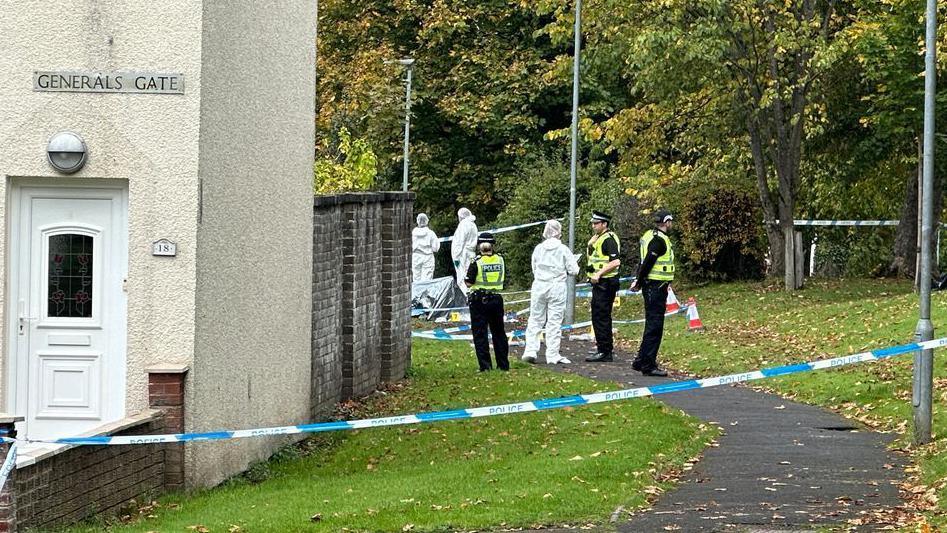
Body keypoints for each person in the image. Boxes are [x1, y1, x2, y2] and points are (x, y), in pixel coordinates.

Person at [522, 220, 580, 365]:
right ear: (559, 232)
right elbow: (574, 270)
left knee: (535, 319)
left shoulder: (538, 249)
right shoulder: (563, 249)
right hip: (557, 287)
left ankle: (530, 351)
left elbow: (534, 267)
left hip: (539, 285)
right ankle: (552, 354)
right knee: (554, 321)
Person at [629, 210, 675, 377]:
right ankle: (648, 364)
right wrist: (639, 282)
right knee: (655, 326)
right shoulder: (659, 241)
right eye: (670, 221)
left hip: (652, 285)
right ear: (667, 222)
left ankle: (641, 360)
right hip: (656, 286)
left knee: (651, 324)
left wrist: (638, 280)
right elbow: (648, 262)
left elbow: (643, 261)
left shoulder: (649, 235)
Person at [465, 233, 509, 371]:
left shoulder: (476, 262)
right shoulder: (500, 260)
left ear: (479, 246)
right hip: (496, 299)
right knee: (499, 333)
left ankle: (485, 367)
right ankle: (503, 365)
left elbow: (468, 282)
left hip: (479, 300)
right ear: (493, 245)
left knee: (480, 334)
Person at [584, 211, 621, 362]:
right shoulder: (600, 238)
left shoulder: (609, 239)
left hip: (606, 282)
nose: (593, 226)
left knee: (601, 316)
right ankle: (603, 348)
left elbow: (615, 262)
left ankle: (605, 351)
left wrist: (598, 274)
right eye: (593, 223)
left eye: (596, 223)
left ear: (604, 224)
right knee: (598, 315)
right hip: (600, 283)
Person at [451, 207, 479, 295]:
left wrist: (456, 256)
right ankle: (471, 294)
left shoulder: (463, 225)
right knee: (470, 274)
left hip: (463, 255)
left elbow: (460, 242)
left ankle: (465, 295)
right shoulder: (473, 225)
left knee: (462, 276)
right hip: (471, 253)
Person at [411, 213, 440, 282]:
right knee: (427, 279)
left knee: (416, 278)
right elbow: (435, 248)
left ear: (417, 221)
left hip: (416, 257)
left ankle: (417, 292)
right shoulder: (431, 233)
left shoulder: (413, 233)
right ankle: (426, 292)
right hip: (428, 258)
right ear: (427, 221)